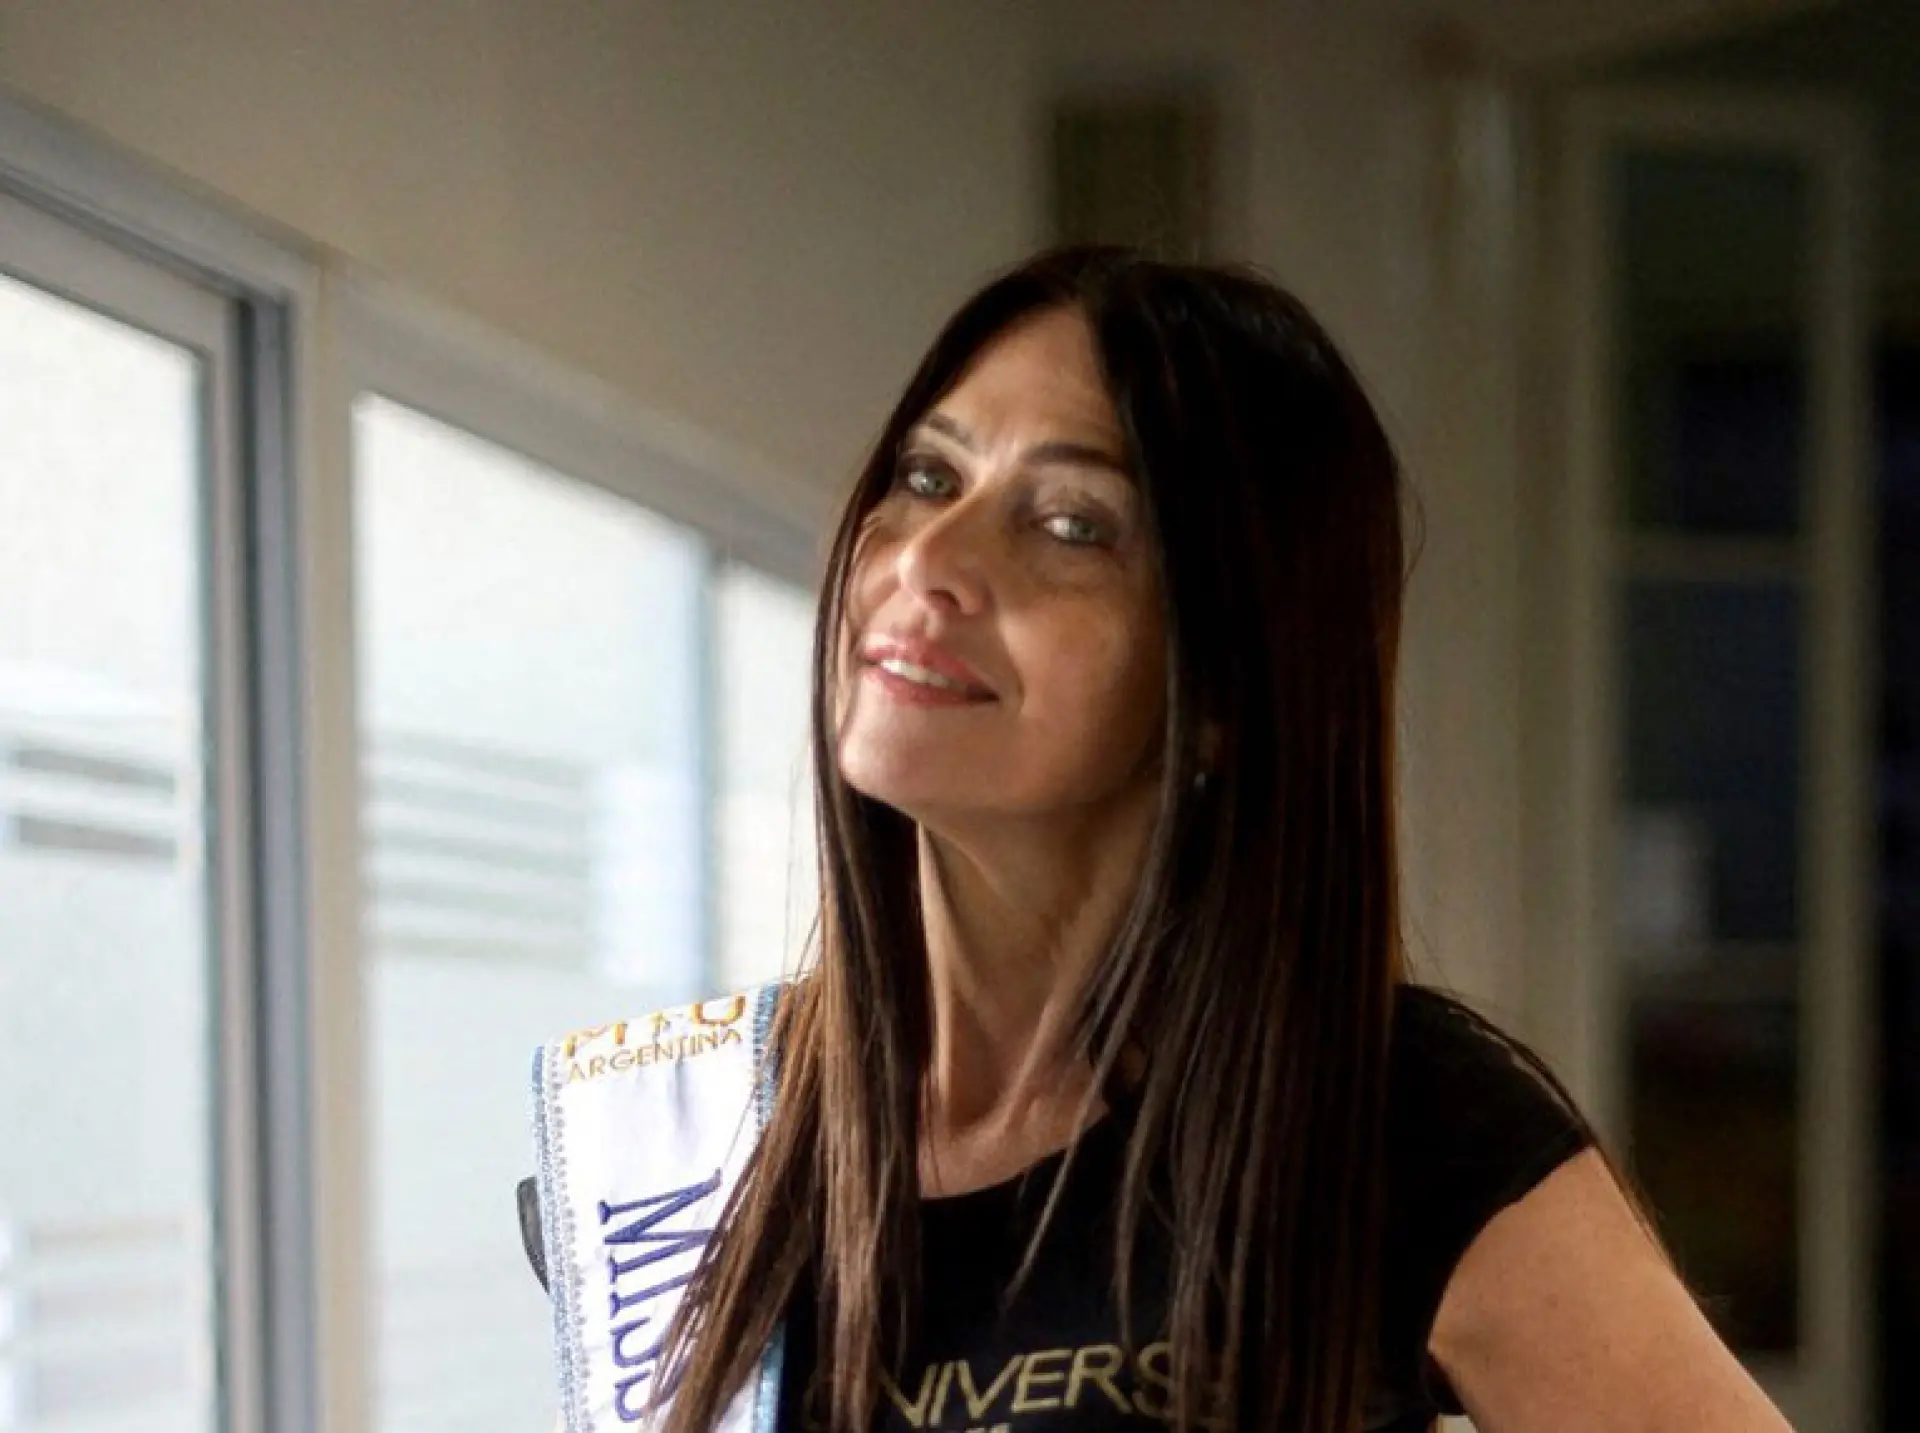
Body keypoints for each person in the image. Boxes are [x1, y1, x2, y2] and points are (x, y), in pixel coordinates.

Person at [524, 246, 1792, 1433]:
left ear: (1228, 682)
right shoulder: (691, 1147)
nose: (931, 560)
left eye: (1071, 525)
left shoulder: (1394, 1124)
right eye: (929, 477)